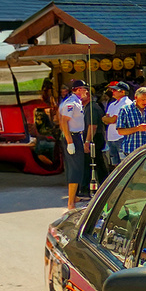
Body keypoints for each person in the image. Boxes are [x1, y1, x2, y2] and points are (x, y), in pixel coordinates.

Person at [58, 81, 90, 209]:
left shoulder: (75, 101)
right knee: (75, 169)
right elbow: (64, 121)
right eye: (84, 89)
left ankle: (74, 196)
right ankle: (71, 202)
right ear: (77, 90)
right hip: (72, 136)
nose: (86, 92)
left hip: (76, 135)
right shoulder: (71, 103)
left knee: (76, 167)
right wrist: (70, 141)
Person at [114, 86, 146, 158]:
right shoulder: (125, 110)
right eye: (143, 100)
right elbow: (120, 131)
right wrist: (137, 128)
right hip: (131, 152)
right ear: (136, 98)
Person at [102, 82, 128, 169]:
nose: (113, 91)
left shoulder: (126, 103)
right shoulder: (112, 104)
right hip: (111, 138)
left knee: (124, 164)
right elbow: (105, 119)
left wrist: (108, 119)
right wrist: (108, 119)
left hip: (121, 138)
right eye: (112, 90)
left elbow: (113, 119)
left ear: (123, 92)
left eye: (115, 90)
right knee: (115, 164)